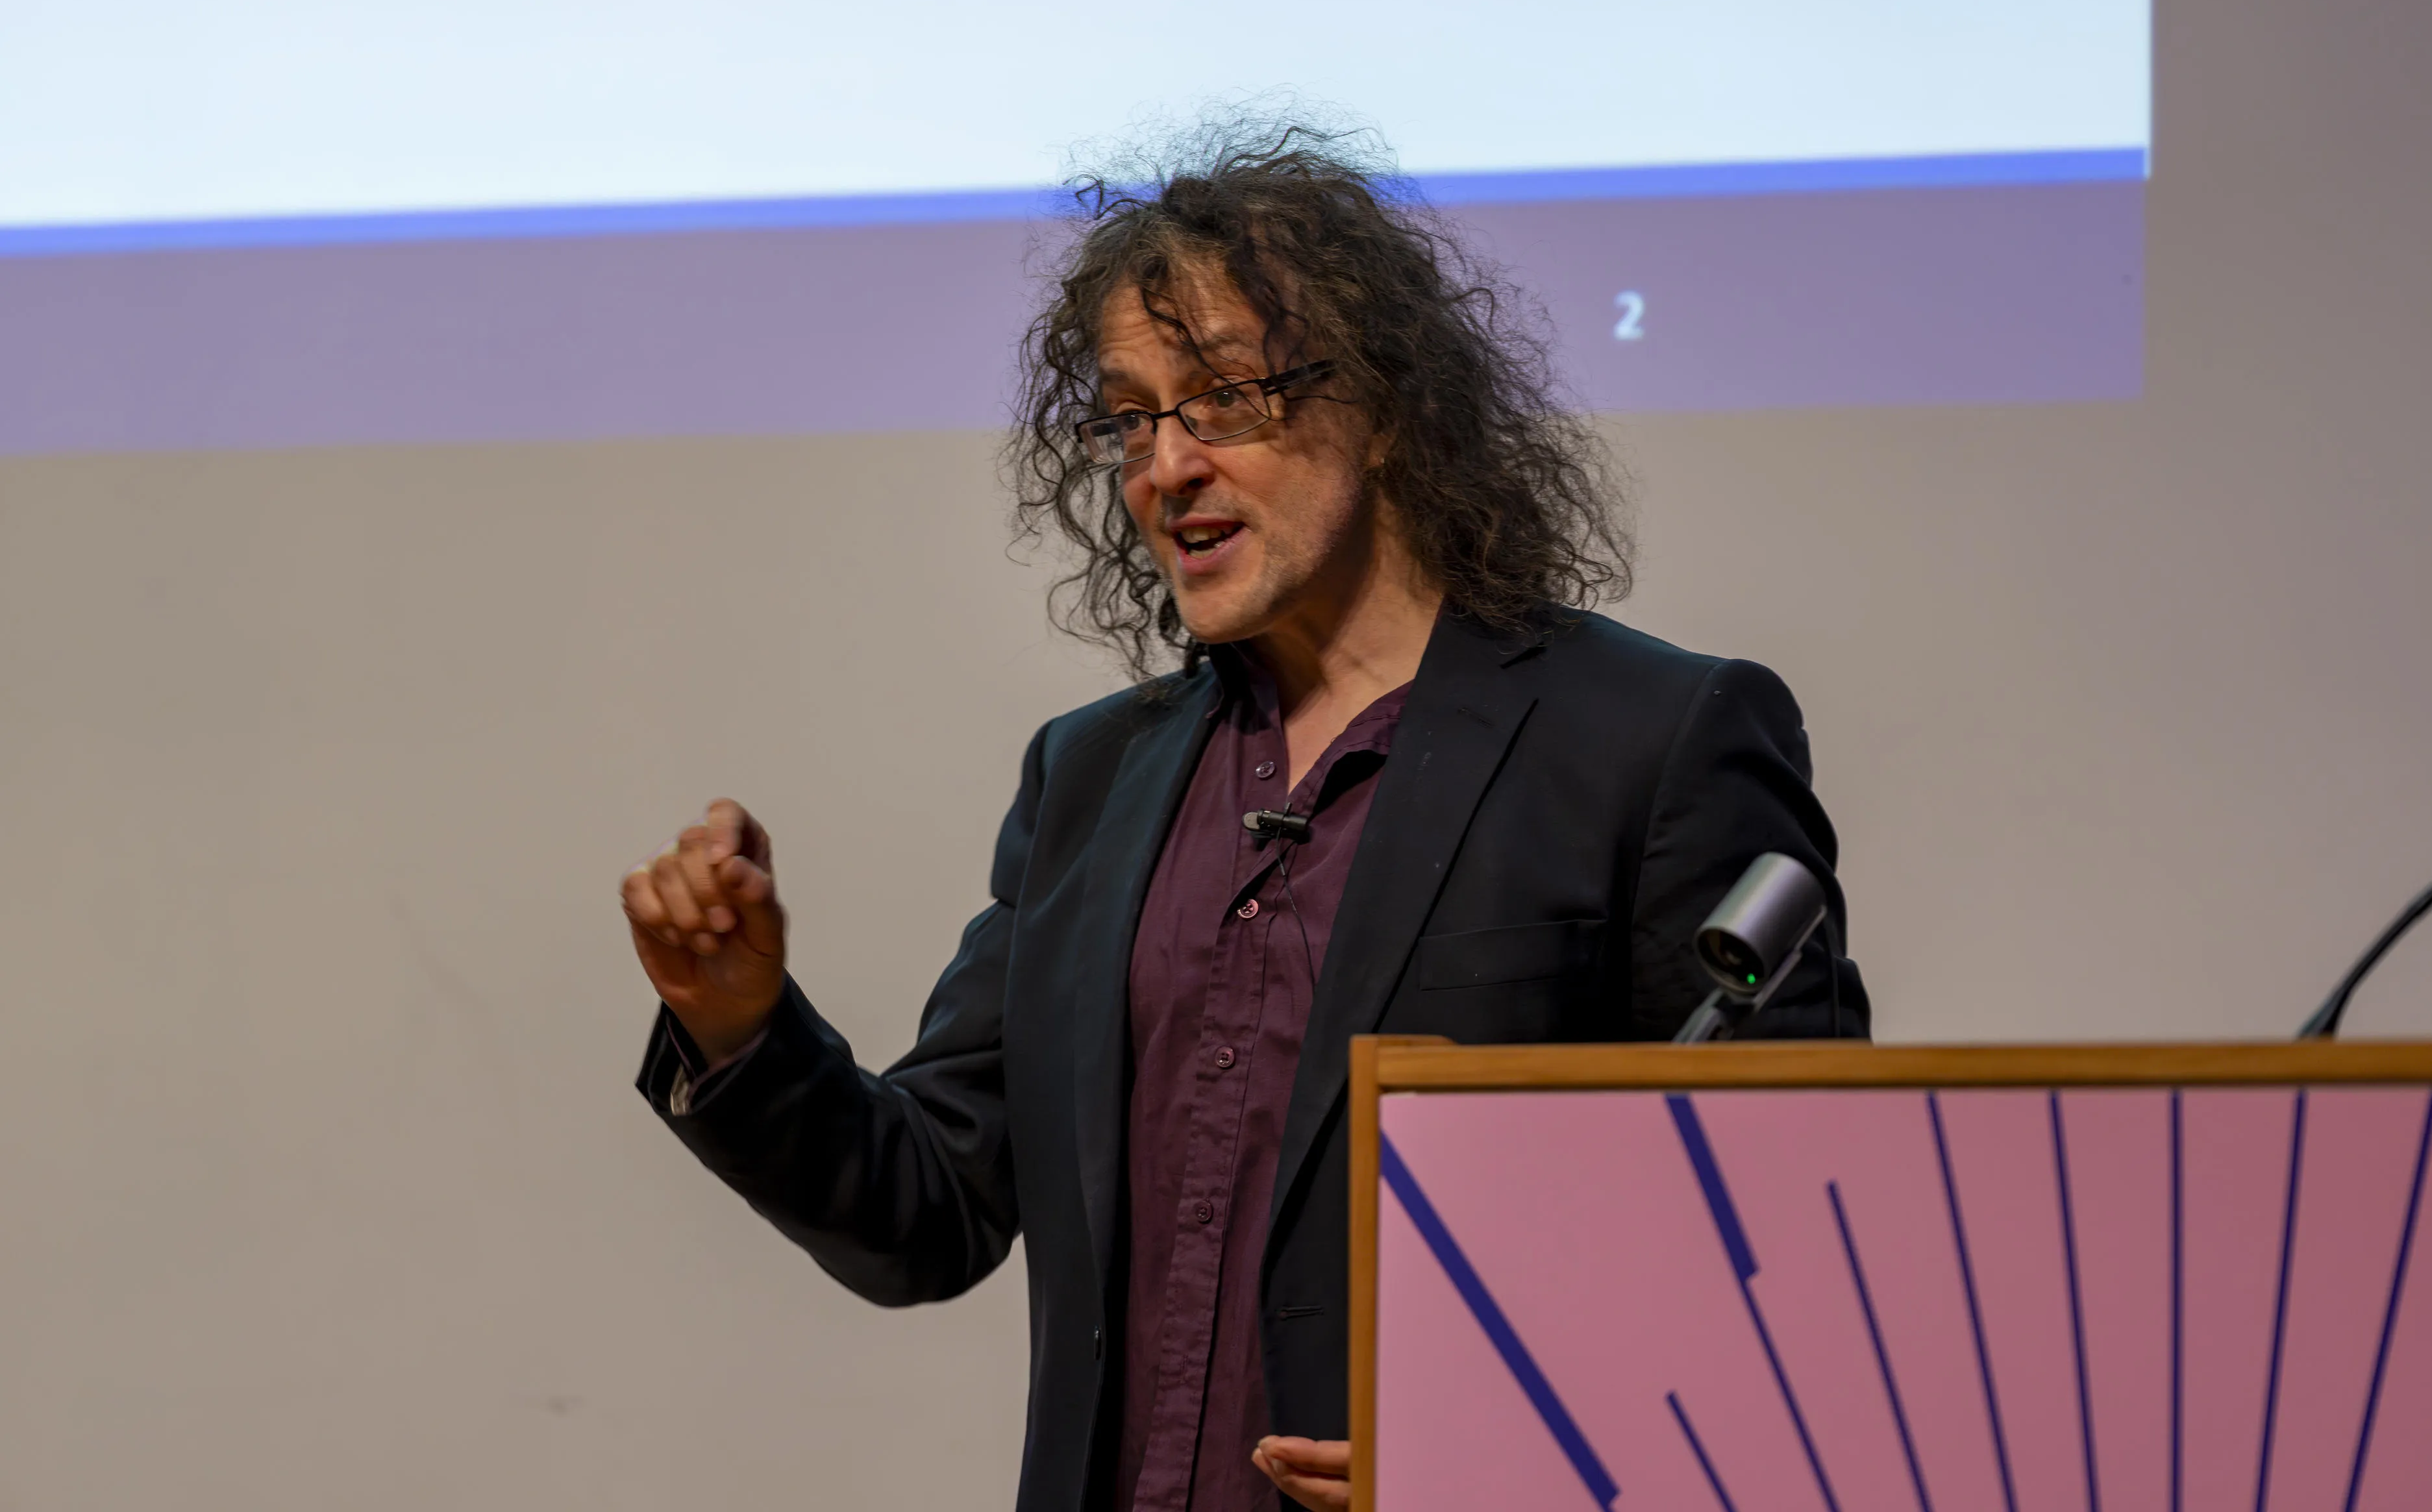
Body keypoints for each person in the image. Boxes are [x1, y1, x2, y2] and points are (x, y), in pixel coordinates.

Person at [620, 123, 1868, 1512]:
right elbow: (930, 1213)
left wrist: (1518, 1455)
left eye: (1221, 399)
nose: (1165, 466)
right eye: (1130, 418)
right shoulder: (1089, 778)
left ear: (1383, 407)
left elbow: (1795, 1244)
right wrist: (740, 1027)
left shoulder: (1653, 739)